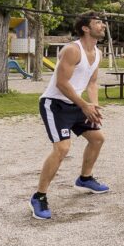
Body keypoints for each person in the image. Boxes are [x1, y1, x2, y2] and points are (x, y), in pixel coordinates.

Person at [30, 12, 109, 221]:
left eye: (102, 22)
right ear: (85, 28)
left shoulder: (98, 53)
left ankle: (85, 179)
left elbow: (92, 83)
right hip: (55, 104)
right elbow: (61, 83)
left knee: (97, 138)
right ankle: (39, 197)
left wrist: (93, 105)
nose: (103, 26)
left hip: (78, 104)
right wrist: (84, 105)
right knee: (62, 148)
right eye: (98, 23)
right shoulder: (72, 50)